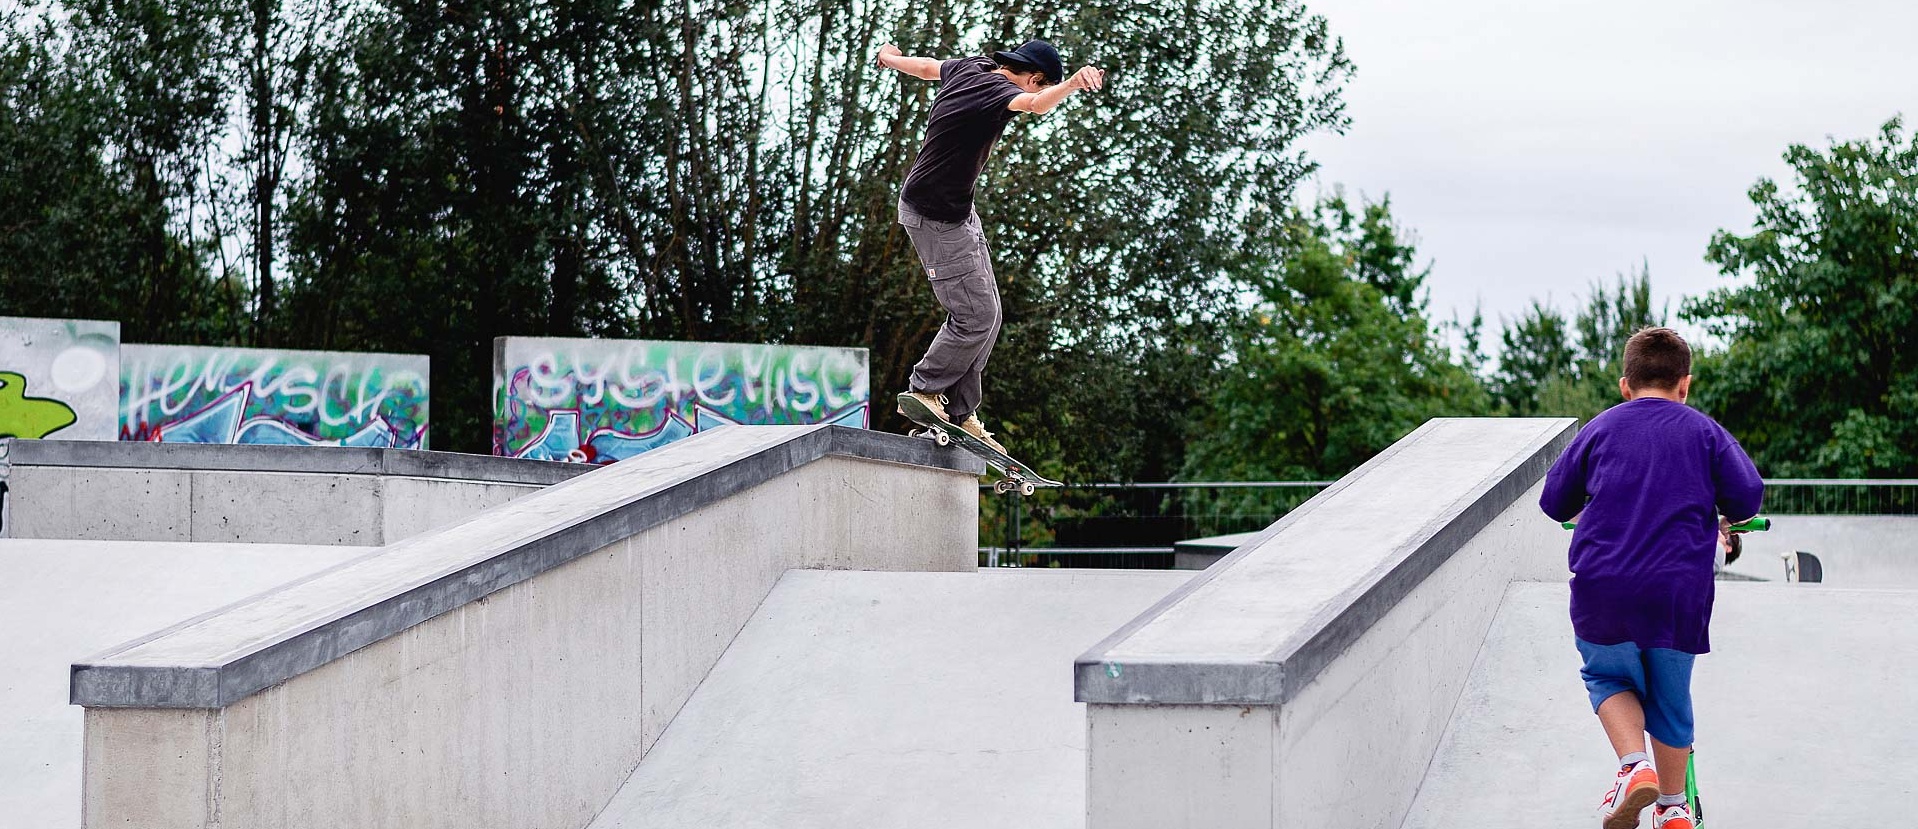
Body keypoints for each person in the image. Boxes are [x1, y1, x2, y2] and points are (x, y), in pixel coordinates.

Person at [1539, 327, 1764, 829]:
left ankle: (1632, 765)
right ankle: (1674, 807)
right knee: (1669, 696)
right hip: (1676, 592)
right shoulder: (1706, 432)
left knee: (1607, 675)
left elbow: (1554, 502)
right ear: (1685, 384)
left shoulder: (1599, 429)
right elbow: (1749, 497)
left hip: (1603, 586)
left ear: (1626, 385)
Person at [874, 38, 1104, 454]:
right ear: (1035, 78)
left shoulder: (971, 67)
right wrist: (1070, 84)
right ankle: (924, 390)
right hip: (935, 217)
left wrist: (890, 58)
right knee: (974, 316)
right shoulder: (1002, 92)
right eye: (1037, 85)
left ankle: (961, 413)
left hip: (956, 212)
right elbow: (1035, 106)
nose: (1031, 93)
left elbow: (927, 66)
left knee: (989, 315)